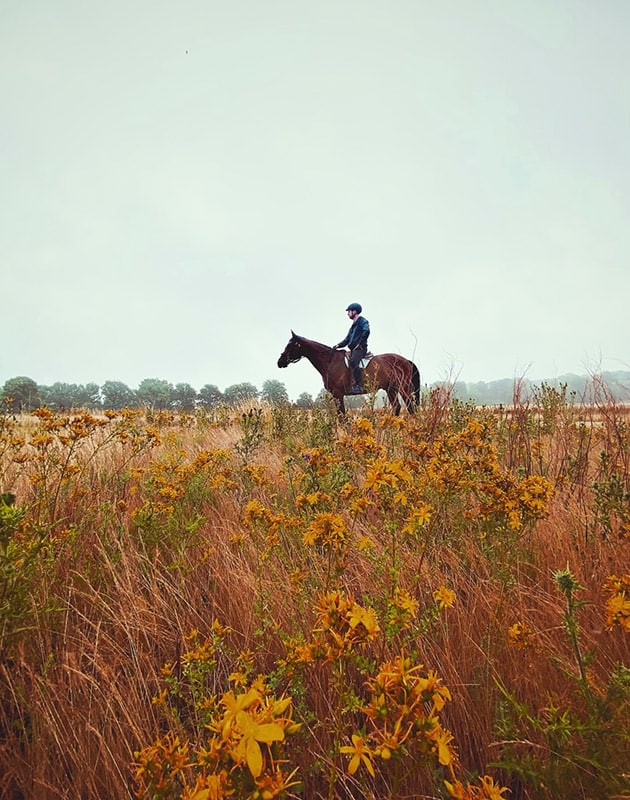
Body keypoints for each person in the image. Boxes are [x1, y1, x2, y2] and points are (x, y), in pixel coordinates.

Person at [332, 303, 370, 394]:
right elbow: (347, 340)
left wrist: (360, 343)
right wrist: (338, 345)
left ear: (355, 311)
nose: (348, 313)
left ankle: (358, 385)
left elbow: (366, 331)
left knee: (353, 361)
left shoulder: (362, 321)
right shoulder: (353, 326)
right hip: (353, 349)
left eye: (349, 311)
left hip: (360, 349)